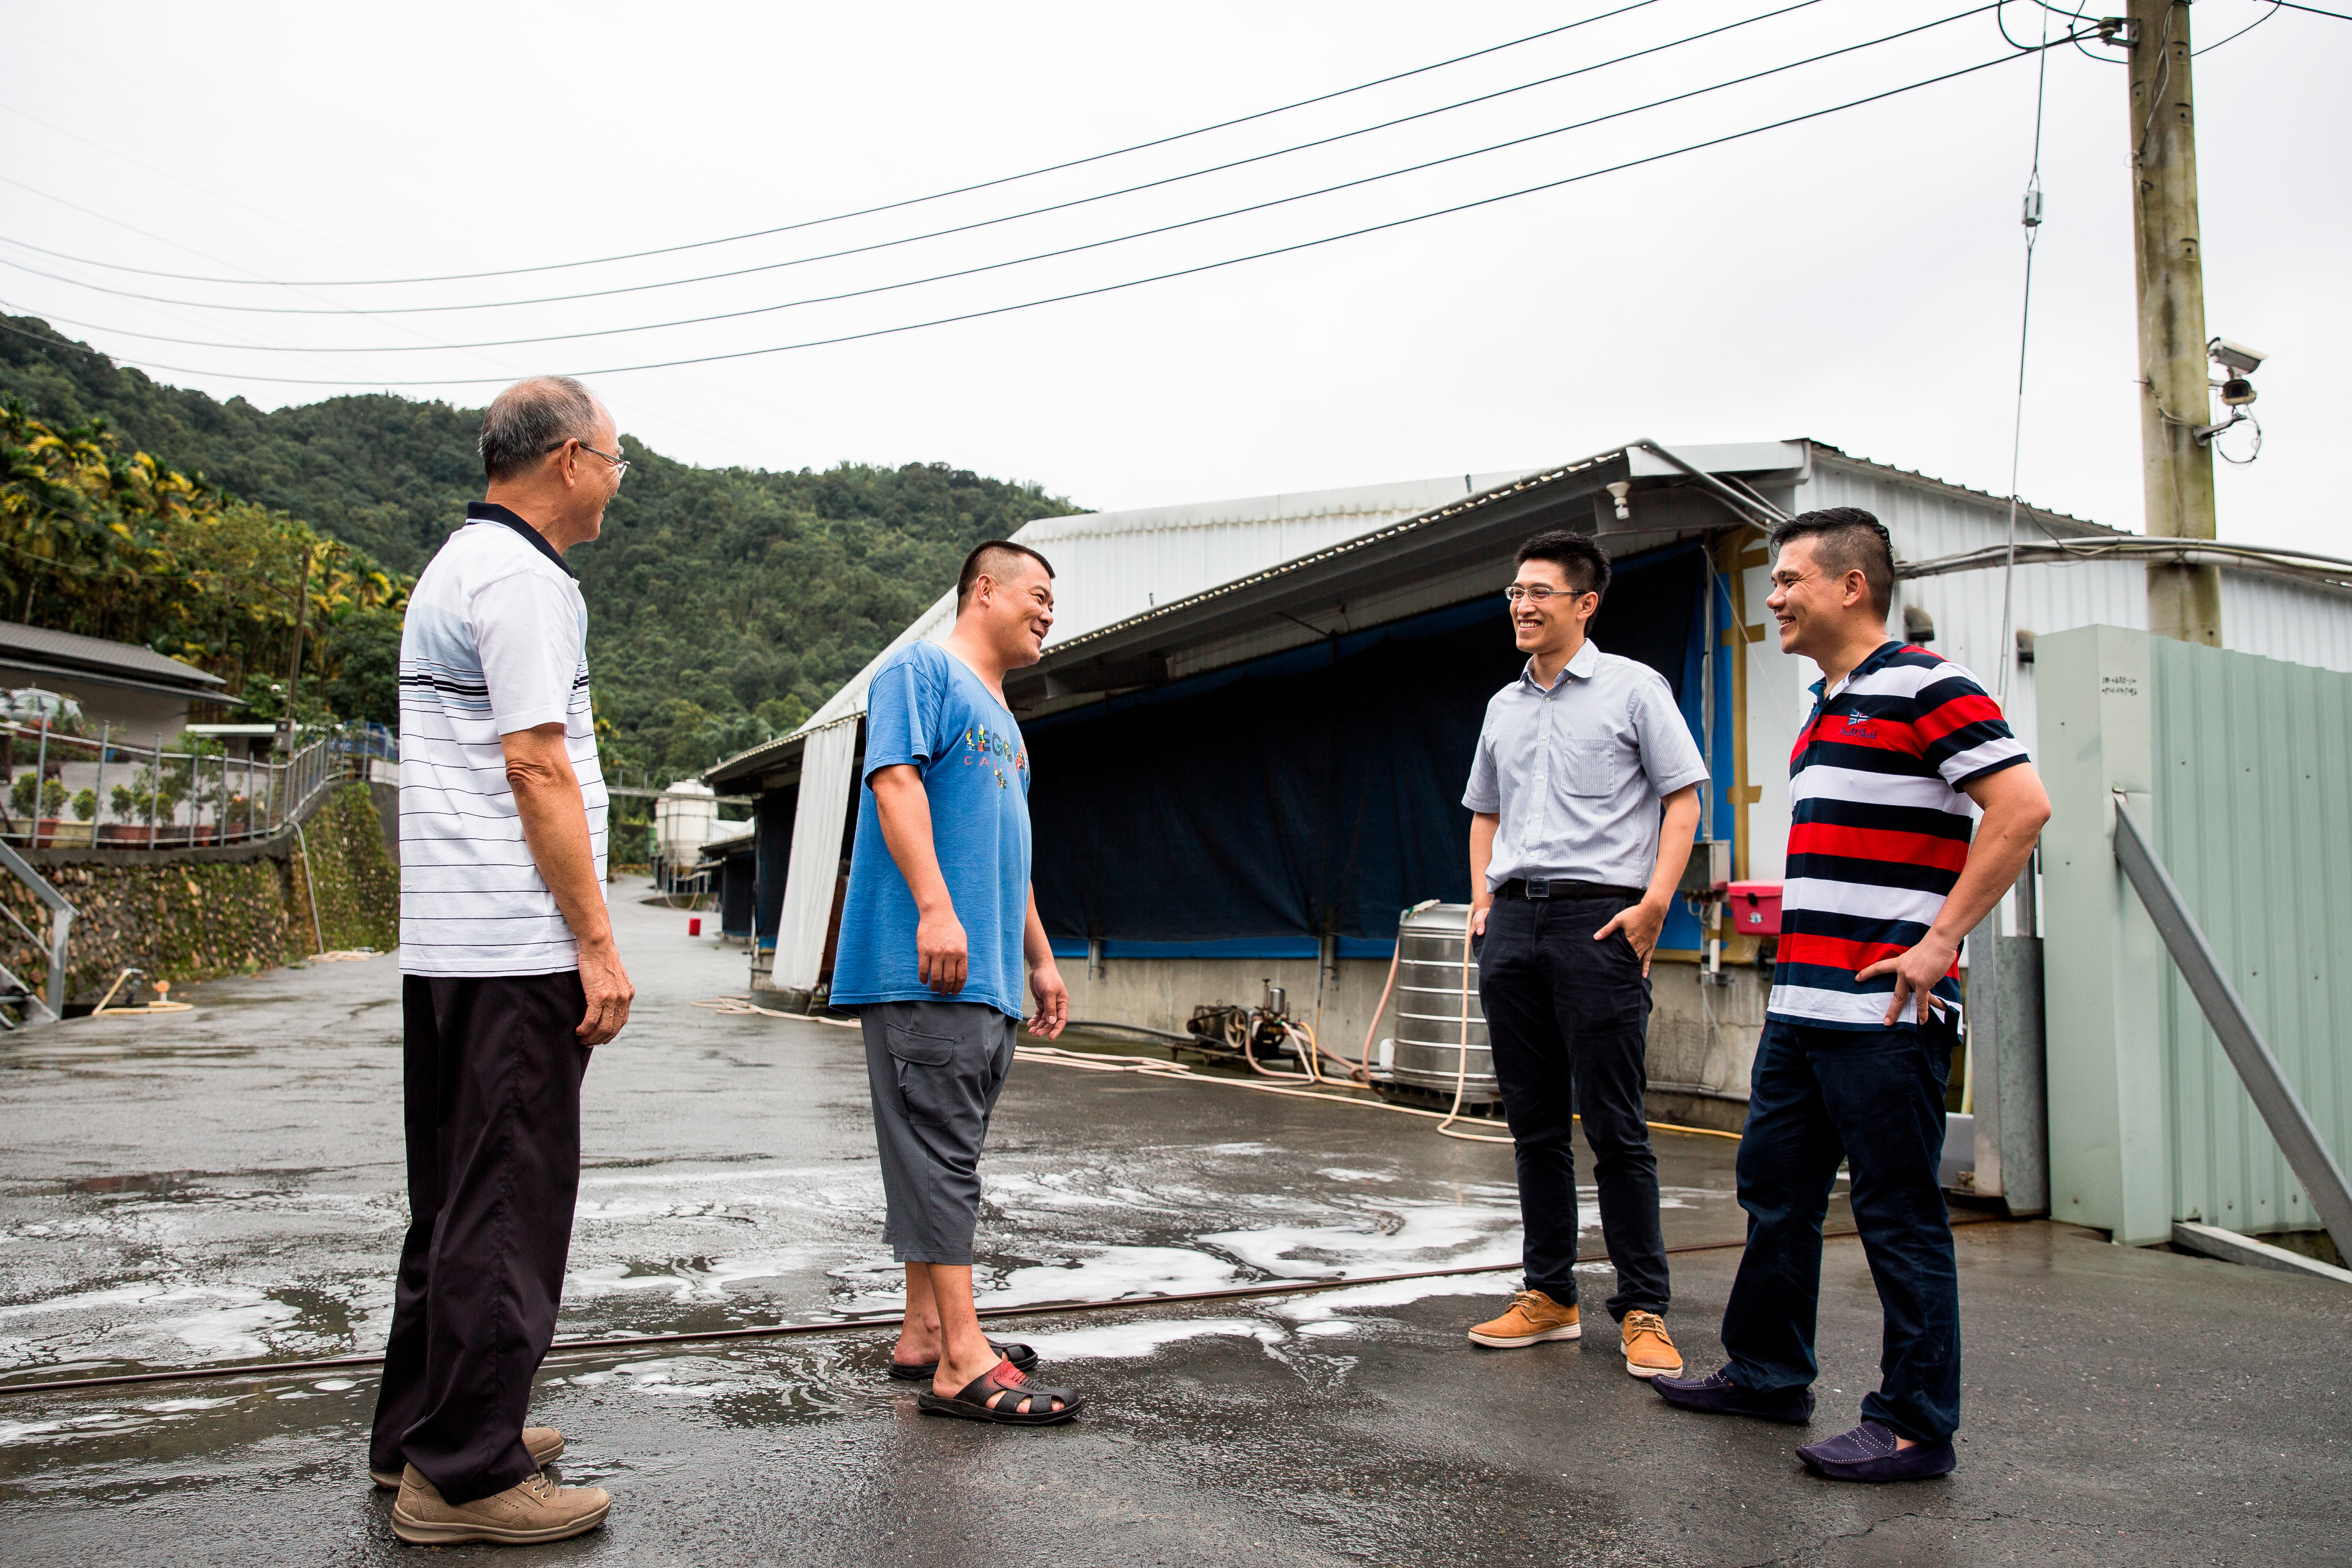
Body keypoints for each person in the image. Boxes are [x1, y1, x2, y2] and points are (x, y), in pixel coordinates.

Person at [1653, 508, 2049, 1484]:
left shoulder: (1927, 683)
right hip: (1802, 1010)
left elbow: (2023, 805)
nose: (1775, 597)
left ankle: (1916, 1424)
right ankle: (1768, 1372)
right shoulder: (1823, 712)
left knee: (1898, 1216)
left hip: (1884, 1016)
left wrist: (1941, 941)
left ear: (1850, 586)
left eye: (1789, 580)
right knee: (1776, 1198)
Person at [372, 376, 633, 1546]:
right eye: (619, 459)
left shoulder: (457, 562)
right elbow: (538, 767)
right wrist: (595, 940)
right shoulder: (525, 579)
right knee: (508, 1205)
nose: (622, 482)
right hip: (513, 938)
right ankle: (467, 1477)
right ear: (570, 458)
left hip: (450, 941)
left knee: (455, 1198)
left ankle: (422, 1434)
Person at [829, 539, 1083, 1425]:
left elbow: (1010, 852)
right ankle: (961, 1363)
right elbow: (895, 784)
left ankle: (925, 1334)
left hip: (989, 974)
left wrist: (1041, 958)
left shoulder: (1004, 718)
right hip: (928, 961)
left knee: (937, 1146)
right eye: (1038, 593)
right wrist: (937, 910)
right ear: (985, 589)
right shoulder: (920, 671)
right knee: (942, 1151)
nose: (1049, 611)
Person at [1461, 528, 1709, 1378]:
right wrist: (1484, 900)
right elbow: (1483, 810)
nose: (1523, 606)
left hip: (1600, 923)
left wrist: (1653, 908)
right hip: (1515, 925)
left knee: (1615, 1127)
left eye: (1539, 592)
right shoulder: (1504, 706)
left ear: (1585, 604)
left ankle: (1644, 1307)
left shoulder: (1635, 690)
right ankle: (1550, 1296)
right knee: (1533, 1127)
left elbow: (1685, 798)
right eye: (1514, 593)